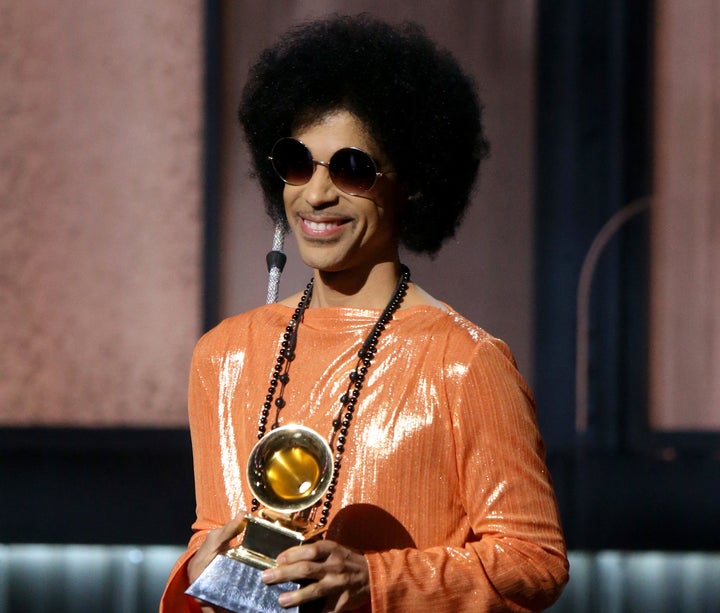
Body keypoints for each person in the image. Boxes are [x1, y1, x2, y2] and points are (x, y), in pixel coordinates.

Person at [161, 13, 568, 613]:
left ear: (415, 185)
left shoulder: (467, 363)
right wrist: (201, 564)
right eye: (297, 162)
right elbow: (216, 531)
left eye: (351, 168)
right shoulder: (223, 356)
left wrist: (373, 580)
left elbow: (534, 562)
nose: (317, 193)